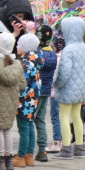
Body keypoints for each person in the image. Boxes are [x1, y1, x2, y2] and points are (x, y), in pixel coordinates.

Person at [52, 17, 85, 160]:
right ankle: (80, 147)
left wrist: (56, 84)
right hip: (81, 88)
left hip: (68, 88)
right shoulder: (83, 47)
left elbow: (64, 72)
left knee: (63, 116)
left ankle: (67, 148)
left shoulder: (68, 49)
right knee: (77, 116)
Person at [0, 32, 25, 170]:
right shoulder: (17, 64)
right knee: (7, 129)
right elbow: (22, 85)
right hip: (12, 100)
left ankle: (0, 158)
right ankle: (9, 159)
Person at [15, 33, 41, 167]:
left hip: (24, 101)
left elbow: (22, 83)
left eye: (19, 44)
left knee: (23, 129)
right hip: (33, 99)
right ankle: (29, 156)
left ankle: (20, 156)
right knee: (30, 126)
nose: (17, 46)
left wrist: (17, 98)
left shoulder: (24, 63)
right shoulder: (35, 61)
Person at [35, 25, 59, 161]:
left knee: (30, 120)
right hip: (46, 90)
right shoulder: (53, 53)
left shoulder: (38, 54)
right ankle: (42, 149)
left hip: (36, 90)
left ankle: (27, 151)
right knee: (41, 119)